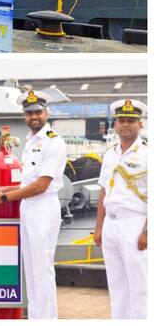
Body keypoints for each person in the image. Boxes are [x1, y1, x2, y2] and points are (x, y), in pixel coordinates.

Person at [0, 90, 66, 319]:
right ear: (25, 116)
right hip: (28, 207)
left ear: (46, 113)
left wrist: (4, 198)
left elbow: (41, 185)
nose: (34, 117)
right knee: (31, 270)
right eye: (29, 113)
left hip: (43, 207)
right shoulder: (31, 142)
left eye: (38, 112)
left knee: (42, 269)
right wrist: (4, 189)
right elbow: (27, 182)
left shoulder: (53, 142)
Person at [94, 99, 147, 319]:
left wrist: (147, 231)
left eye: (131, 121)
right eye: (122, 120)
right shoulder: (110, 154)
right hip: (111, 226)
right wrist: (99, 227)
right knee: (116, 286)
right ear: (115, 124)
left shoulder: (147, 154)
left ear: (140, 125)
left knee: (140, 286)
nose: (126, 125)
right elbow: (104, 192)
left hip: (135, 224)